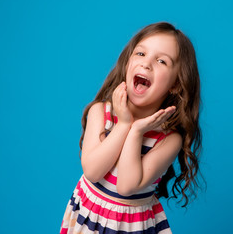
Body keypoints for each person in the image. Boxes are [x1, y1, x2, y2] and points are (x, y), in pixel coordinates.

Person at [60, 22, 202, 234]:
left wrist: (136, 132)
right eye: (141, 53)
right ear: (127, 64)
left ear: (175, 84)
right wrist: (124, 124)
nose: (146, 64)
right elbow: (92, 171)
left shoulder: (169, 140)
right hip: (88, 220)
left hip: (131, 227)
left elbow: (126, 186)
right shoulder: (100, 112)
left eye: (162, 61)